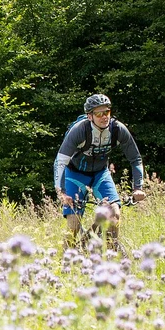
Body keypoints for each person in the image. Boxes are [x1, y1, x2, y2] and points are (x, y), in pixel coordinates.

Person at [54, 94, 145, 246]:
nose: (104, 117)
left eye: (107, 112)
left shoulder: (117, 129)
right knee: (73, 226)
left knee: (114, 215)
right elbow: (60, 162)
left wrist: (138, 188)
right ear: (90, 116)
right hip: (74, 175)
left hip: (100, 175)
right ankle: (66, 263)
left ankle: (108, 258)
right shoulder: (79, 130)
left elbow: (135, 158)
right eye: (99, 114)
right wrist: (61, 192)